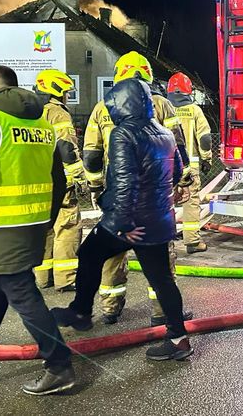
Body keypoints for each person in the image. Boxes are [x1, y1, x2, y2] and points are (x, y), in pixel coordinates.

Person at [52, 76, 194, 361]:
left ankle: (80, 311)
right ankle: (178, 340)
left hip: (128, 220)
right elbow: (178, 173)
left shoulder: (123, 134)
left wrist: (124, 223)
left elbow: (125, 181)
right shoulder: (164, 134)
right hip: (158, 220)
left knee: (90, 253)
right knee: (163, 280)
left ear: (122, 103)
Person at [0, 65, 74, 395]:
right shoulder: (42, 121)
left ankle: (59, 364)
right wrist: (46, 220)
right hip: (32, 222)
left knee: (19, 288)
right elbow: (58, 179)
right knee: (2, 277)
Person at [82, 51, 191, 326]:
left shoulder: (101, 108)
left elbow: (92, 154)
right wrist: (181, 183)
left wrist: (96, 189)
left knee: (113, 253)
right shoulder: (162, 105)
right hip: (155, 198)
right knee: (159, 258)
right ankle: (162, 313)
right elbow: (178, 148)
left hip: (117, 195)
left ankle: (110, 307)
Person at [33, 69, 84, 292]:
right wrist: (79, 177)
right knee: (67, 227)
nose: (67, 97)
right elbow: (66, 148)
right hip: (60, 181)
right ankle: (66, 278)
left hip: (37, 181)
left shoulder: (31, 113)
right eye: (65, 92)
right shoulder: (58, 114)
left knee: (45, 230)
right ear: (56, 91)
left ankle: (43, 278)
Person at [167, 72, 212, 254]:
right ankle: (192, 242)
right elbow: (205, 138)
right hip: (188, 168)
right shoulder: (194, 111)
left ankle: (164, 240)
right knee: (190, 203)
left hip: (165, 167)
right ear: (188, 91)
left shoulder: (161, 109)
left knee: (164, 203)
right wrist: (206, 158)